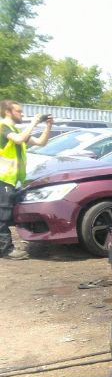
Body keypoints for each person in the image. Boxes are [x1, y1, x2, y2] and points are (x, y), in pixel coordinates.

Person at [0, 101, 52, 259]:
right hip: (3, 178)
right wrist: (34, 122)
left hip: (12, 180)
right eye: (19, 111)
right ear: (8, 112)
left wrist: (48, 126)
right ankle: (6, 250)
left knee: (7, 215)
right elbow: (18, 139)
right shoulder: (3, 127)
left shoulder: (15, 129)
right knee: (2, 215)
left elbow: (40, 142)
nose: (22, 114)